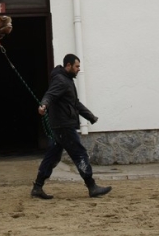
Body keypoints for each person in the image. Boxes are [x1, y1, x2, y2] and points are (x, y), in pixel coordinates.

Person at [31, 53, 112, 199]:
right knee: (79, 154)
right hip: (64, 126)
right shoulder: (61, 81)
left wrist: (90, 117)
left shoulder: (67, 80)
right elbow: (50, 95)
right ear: (68, 65)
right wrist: (43, 105)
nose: (78, 69)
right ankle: (91, 186)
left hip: (59, 126)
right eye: (76, 66)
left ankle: (37, 187)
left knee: (52, 157)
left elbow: (75, 103)